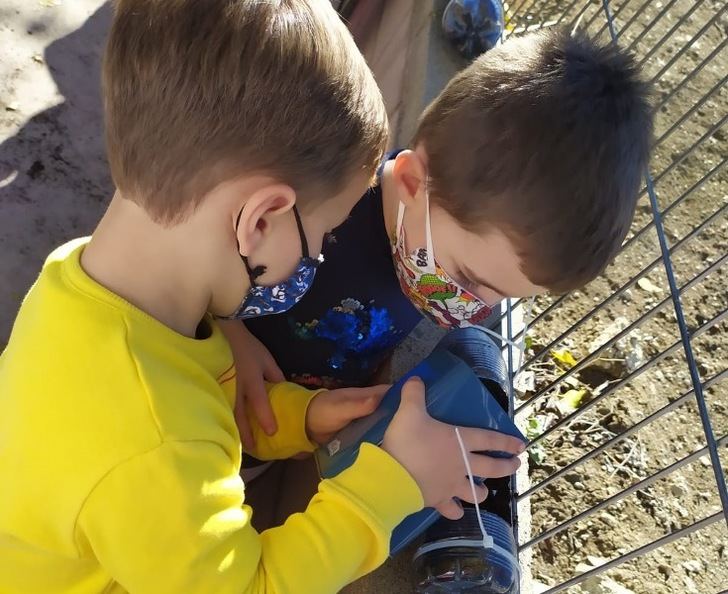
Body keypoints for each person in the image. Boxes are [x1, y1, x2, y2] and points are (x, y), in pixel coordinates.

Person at [0, 1, 525, 593]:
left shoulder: (86, 278)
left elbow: (197, 397)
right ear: (260, 220)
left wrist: (298, 418)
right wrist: (390, 484)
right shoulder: (153, 448)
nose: (318, 258)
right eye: (323, 237)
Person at [229, 28, 653, 451]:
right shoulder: (320, 205)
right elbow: (196, 261)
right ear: (413, 181)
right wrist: (230, 335)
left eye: (503, 296)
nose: (475, 308)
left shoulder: (420, 240)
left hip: (289, 428)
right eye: (468, 279)